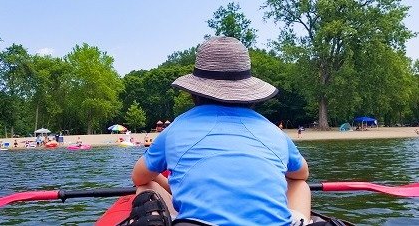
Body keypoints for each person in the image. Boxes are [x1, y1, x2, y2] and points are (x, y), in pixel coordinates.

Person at [123, 37, 311, 225]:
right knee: (299, 184)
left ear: (194, 91)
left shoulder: (177, 127)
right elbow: (302, 174)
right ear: (249, 91)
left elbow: (138, 177)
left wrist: (172, 184)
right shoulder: (274, 131)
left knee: (147, 185)